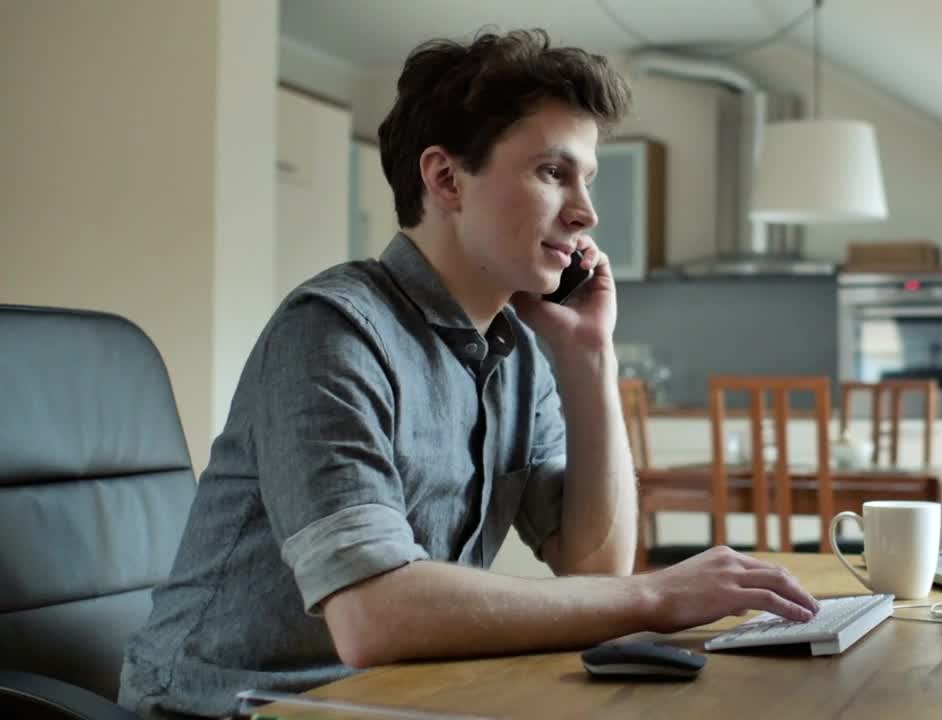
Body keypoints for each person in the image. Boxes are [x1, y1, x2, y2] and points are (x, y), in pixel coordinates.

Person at [118, 28, 819, 719]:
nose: (587, 212)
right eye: (553, 172)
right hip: (221, 706)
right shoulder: (333, 331)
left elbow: (595, 568)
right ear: (447, 178)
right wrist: (660, 596)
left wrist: (589, 359)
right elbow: (375, 616)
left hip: (387, 700)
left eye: (588, 178)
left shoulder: (517, 353)